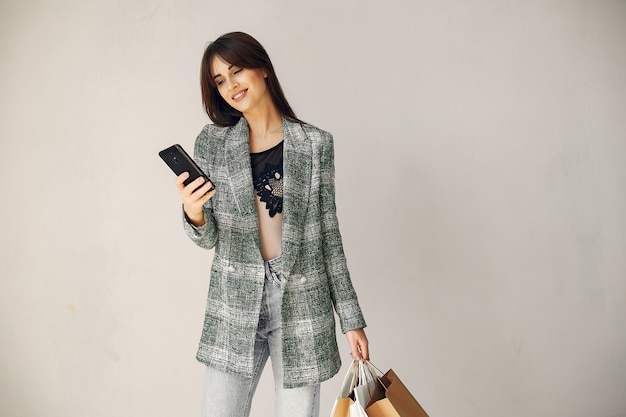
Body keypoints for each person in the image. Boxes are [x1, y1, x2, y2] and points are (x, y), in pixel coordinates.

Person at [174, 31, 369, 417]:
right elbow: (209, 236)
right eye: (220, 80)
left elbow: (329, 234)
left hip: (300, 301)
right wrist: (193, 211)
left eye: (236, 71)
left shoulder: (315, 144)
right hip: (234, 301)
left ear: (262, 68)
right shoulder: (212, 144)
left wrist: (351, 320)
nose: (231, 85)